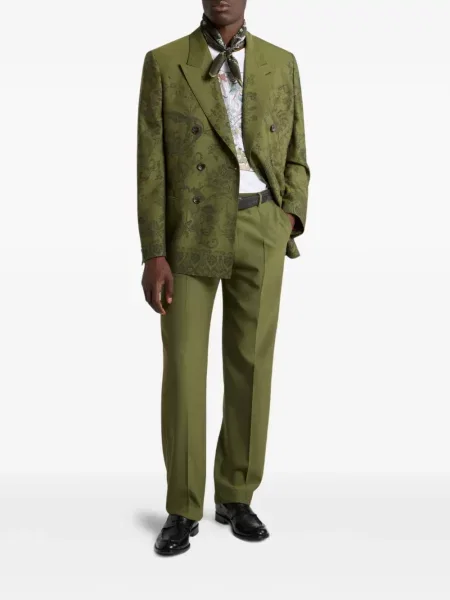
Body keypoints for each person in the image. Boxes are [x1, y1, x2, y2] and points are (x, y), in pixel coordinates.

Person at [137, 0, 310, 556]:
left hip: (262, 225)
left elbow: (297, 151)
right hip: (190, 233)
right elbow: (150, 167)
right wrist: (154, 252)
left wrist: (289, 216)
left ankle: (236, 494)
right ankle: (182, 505)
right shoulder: (165, 62)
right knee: (185, 368)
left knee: (252, 365)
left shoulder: (281, 62)